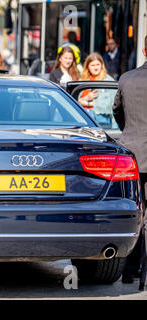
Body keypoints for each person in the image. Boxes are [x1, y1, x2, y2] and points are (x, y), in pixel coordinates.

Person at [112, 35, 147, 290]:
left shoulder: (126, 78)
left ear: (144, 49)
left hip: (132, 153)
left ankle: (131, 270)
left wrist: (131, 131)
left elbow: (117, 111)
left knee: (136, 213)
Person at [78, 52, 117, 128]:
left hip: (101, 122)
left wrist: (88, 104)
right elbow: (74, 101)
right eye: (92, 65)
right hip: (82, 121)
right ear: (87, 66)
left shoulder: (108, 81)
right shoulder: (82, 80)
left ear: (102, 65)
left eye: (98, 65)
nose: (95, 68)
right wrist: (86, 98)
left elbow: (111, 105)